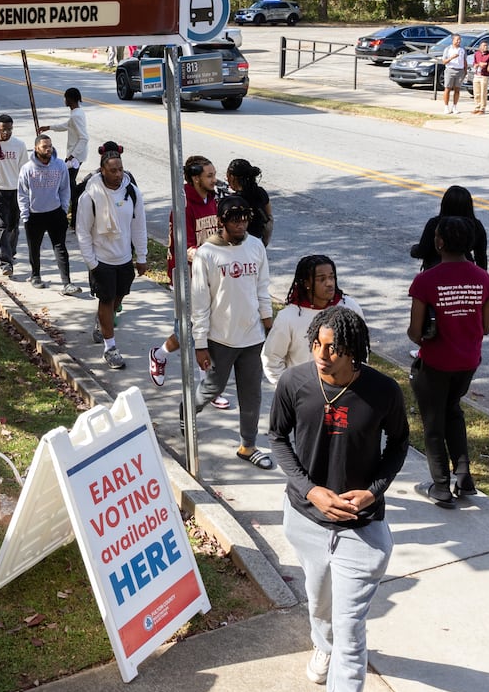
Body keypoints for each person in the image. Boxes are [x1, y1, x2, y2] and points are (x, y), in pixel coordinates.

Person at [269, 306, 408, 692]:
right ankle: (322, 645)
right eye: (316, 344)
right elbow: (278, 438)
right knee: (320, 606)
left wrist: (373, 490)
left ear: (352, 352)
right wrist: (310, 490)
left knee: (350, 633)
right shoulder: (294, 382)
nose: (321, 354)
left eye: (332, 348)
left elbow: (398, 445)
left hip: (360, 532)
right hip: (306, 521)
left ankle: (340, 668)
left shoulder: (383, 392)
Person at [407, 215, 489, 508]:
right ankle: (464, 479)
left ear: (439, 242)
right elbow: (486, 327)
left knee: (434, 423)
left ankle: (441, 487)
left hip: (435, 364)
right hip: (468, 363)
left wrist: (429, 335)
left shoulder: (425, 280)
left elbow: (415, 332)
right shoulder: (483, 279)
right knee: (453, 412)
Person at [185, 195, 275, 469]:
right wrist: (200, 343)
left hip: (252, 337)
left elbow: (262, 288)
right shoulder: (207, 254)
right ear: (221, 221)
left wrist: (268, 323)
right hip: (220, 338)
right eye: (235, 220)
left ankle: (248, 446)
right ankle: (186, 412)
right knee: (213, 388)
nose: (241, 225)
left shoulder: (256, 246)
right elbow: (200, 302)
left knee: (252, 396)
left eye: (245, 219)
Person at [148, 156, 222, 397]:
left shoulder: (212, 199)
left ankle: (161, 356)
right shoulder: (184, 206)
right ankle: (206, 386)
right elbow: (185, 249)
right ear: (195, 178)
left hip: (209, 276)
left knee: (200, 331)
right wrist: (212, 257)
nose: (214, 179)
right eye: (209, 176)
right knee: (191, 331)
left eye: (214, 174)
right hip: (186, 278)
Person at [75, 147, 148, 368]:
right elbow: (83, 231)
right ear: (102, 171)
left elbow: (139, 225)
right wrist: (92, 262)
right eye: (113, 170)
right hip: (101, 260)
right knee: (106, 301)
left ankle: (102, 322)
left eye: (121, 169)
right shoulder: (90, 196)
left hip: (124, 258)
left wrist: (141, 256)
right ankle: (110, 347)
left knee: (118, 299)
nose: (118, 175)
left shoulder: (132, 192)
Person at [262, 255, 365, 388]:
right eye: (321, 279)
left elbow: (362, 349)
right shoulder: (288, 317)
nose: (329, 283)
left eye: (331, 277)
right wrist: (290, 390)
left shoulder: (350, 307)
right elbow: (272, 359)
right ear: (306, 283)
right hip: (305, 394)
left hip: (345, 390)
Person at [18, 134, 80, 294]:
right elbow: (22, 193)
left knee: (60, 247)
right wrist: (25, 215)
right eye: (45, 146)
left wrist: (63, 209)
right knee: (34, 247)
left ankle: (67, 283)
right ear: (36, 148)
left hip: (55, 213)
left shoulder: (59, 165)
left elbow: (65, 189)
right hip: (34, 215)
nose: (48, 149)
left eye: (50, 146)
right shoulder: (27, 169)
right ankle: (35, 275)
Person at [410, 185, 487, 271]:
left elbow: (422, 251)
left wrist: (414, 250)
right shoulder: (476, 226)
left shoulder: (435, 223)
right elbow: (481, 257)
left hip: (435, 269)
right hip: (466, 270)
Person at [0, 114, 27, 276]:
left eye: (9, 130)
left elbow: (24, 169)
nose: (6, 133)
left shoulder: (19, 145)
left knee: (13, 226)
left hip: (15, 189)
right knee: (0, 226)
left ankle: (10, 252)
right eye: (3, 130)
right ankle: (5, 263)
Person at [40, 87, 89, 186]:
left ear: (69, 99)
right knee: (69, 179)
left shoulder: (76, 116)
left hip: (76, 156)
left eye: (65, 98)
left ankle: (74, 199)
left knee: (69, 181)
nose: (64, 100)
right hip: (77, 154)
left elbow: (84, 138)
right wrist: (49, 127)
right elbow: (67, 125)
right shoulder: (77, 112)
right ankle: (73, 199)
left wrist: (72, 155)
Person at [225, 158, 273, 247]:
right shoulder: (261, 192)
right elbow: (269, 219)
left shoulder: (233, 201)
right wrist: (264, 243)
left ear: (232, 177)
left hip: (239, 246)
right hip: (258, 243)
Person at [441, 33, 467, 114]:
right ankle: (446, 106)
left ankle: (454, 106)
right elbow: (444, 61)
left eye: (460, 40)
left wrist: (465, 71)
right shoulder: (448, 49)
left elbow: (464, 60)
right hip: (450, 70)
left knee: (457, 89)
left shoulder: (462, 49)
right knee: (447, 88)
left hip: (460, 71)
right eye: (457, 40)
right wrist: (452, 57)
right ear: (453, 40)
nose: (459, 41)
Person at [471, 41, 489, 115]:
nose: (485, 47)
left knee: (483, 92)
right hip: (477, 74)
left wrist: (486, 64)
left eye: (486, 46)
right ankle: (477, 107)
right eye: (483, 45)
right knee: (476, 93)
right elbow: (474, 62)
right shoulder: (477, 53)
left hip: (484, 75)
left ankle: (482, 108)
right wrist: (476, 65)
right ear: (480, 47)